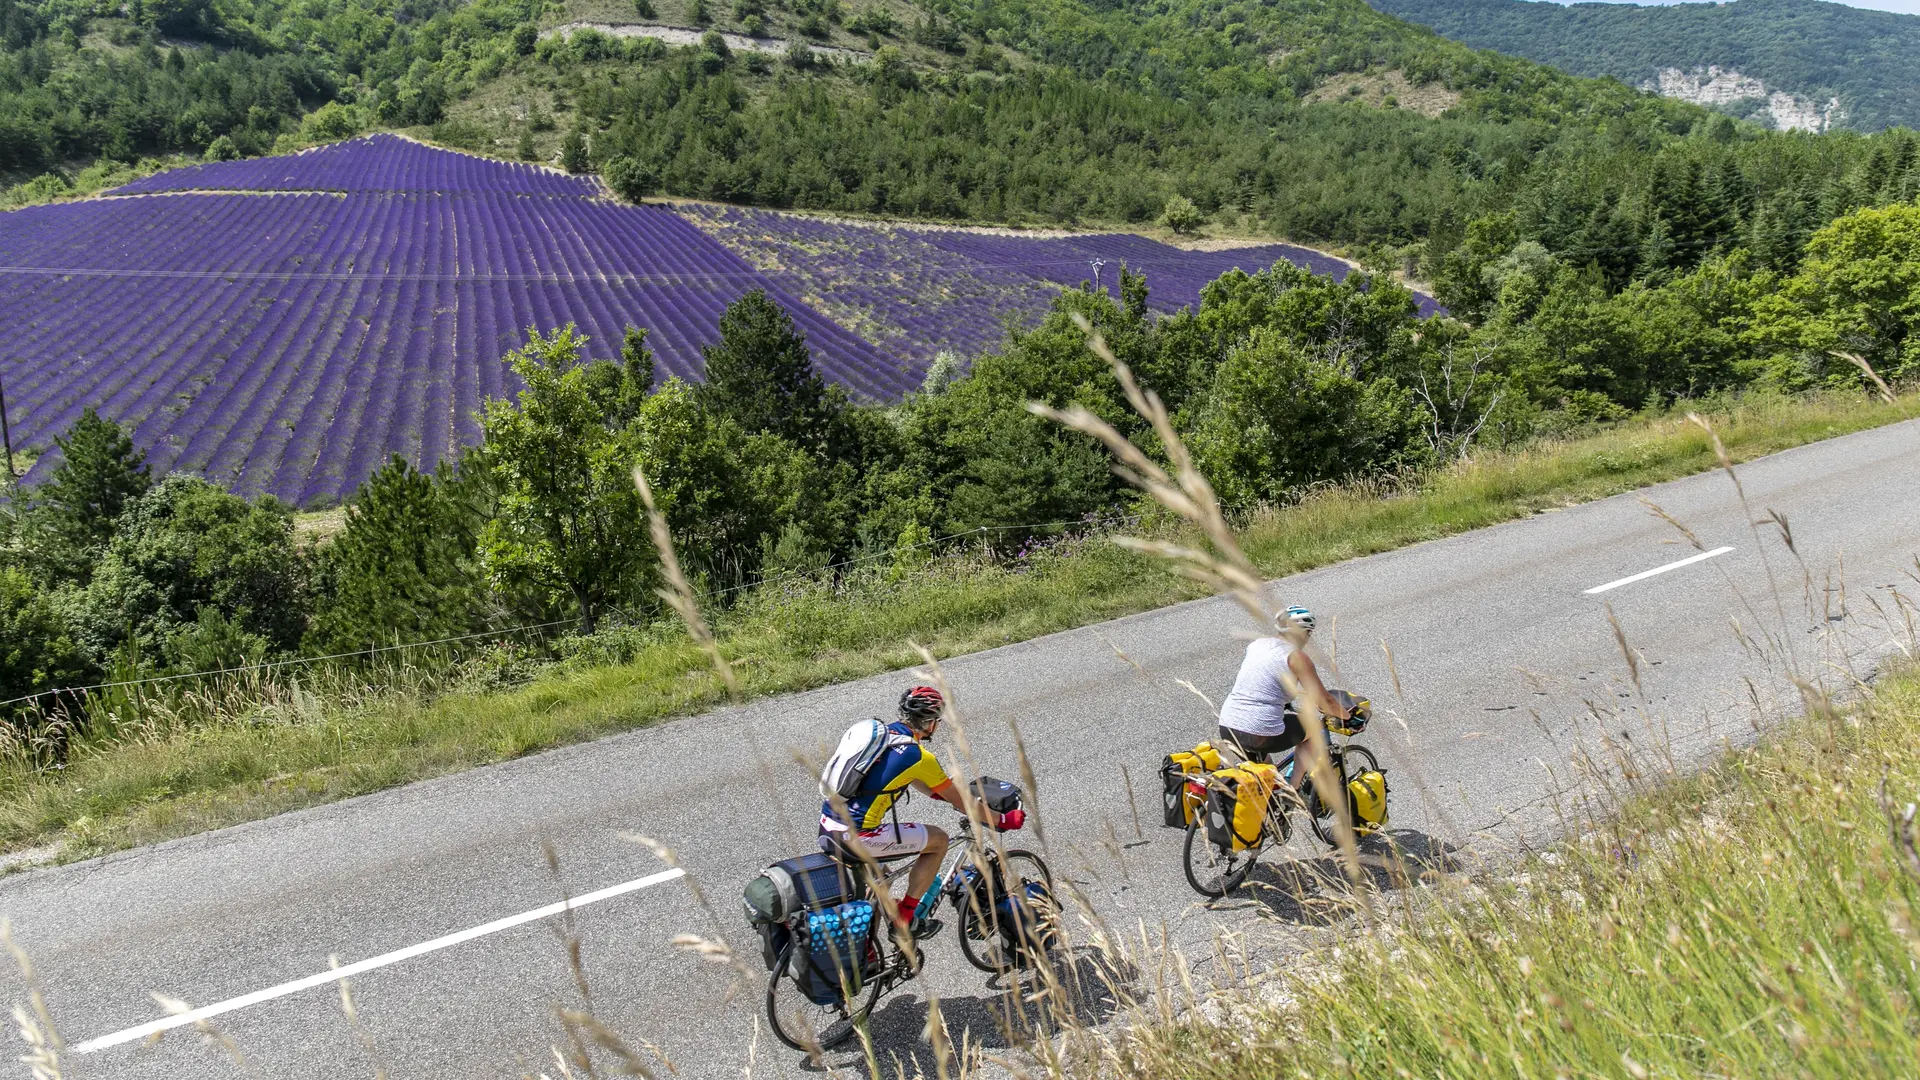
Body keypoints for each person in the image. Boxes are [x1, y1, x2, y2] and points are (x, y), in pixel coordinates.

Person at [819, 685, 1025, 938]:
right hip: (858, 838)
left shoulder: (885, 737)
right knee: (938, 840)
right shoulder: (918, 756)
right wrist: (1003, 818)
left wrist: (946, 793)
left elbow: (913, 781)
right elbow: (963, 803)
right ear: (930, 722)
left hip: (828, 828)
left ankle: (868, 950)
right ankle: (906, 919)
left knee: (882, 880)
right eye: (936, 720)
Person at [1216, 605, 1350, 782]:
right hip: (1260, 731)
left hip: (1227, 725)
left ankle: (1272, 799)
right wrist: (1347, 717)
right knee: (1315, 729)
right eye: (1308, 633)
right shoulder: (1296, 657)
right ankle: (1293, 788)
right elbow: (1325, 701)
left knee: (1266, 777)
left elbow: (1263, 681)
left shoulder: (1256, 645)